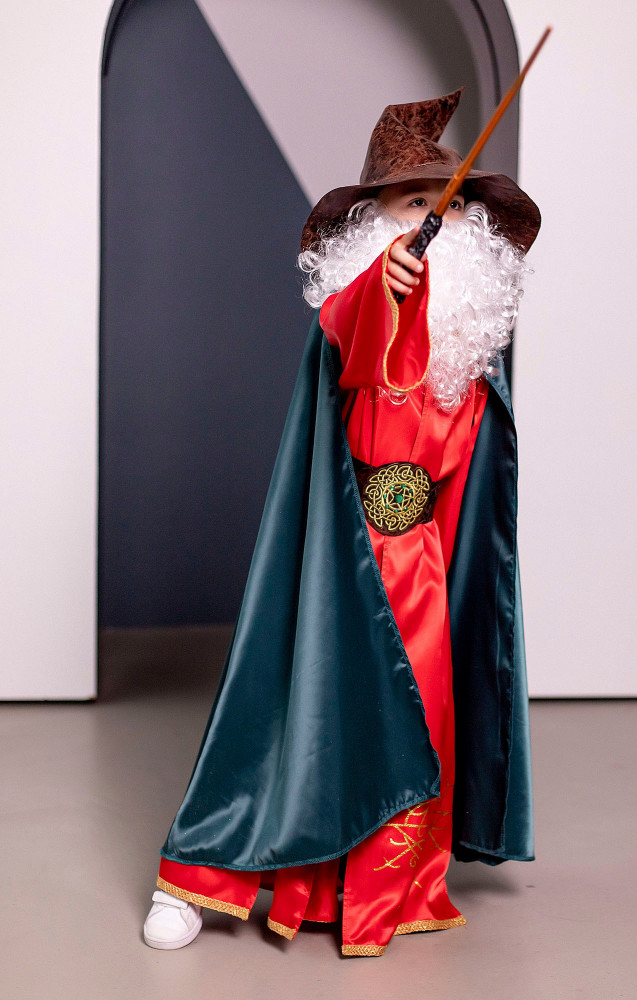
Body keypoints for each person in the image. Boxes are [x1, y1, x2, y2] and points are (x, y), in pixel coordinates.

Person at [143, 88, 540, 958]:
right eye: (413, 202)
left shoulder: (473, 355)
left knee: (417, 721)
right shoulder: (356, 309)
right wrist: (385, 285)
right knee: (296, 723)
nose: (437, 221)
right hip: (343, 562)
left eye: (450, 204)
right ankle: (202, 874)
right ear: (372, 226)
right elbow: (357, 335)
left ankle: (380, 892)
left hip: (422, 566)